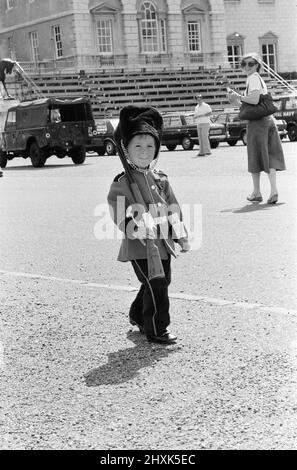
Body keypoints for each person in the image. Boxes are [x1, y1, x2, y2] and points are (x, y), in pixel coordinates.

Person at [107, 105, 190, 344]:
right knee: (156, 283)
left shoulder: (161, 179)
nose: (144, 152)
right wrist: (135, 225)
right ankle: (156, 328)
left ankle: (137, 314)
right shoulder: (122, 183)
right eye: (137, 146)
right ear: (126, 149)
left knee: (161, 281)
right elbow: (117, 208)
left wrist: (181, 235)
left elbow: (173, 209)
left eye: (149, 147)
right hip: (139, 245)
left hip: (162, 243)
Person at [227, 52, 285, 204]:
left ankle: (256, 191)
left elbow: (254, 100)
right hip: (268, 120)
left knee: (255, 155)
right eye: (244, 64)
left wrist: (238, 96)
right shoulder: (259, 79)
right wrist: (237, 101)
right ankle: (273, 190)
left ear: (258, 65)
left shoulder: (252, 78)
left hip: (257, 123)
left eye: (251, 63)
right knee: (271, 155)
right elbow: (255, 104)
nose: (247, 66)